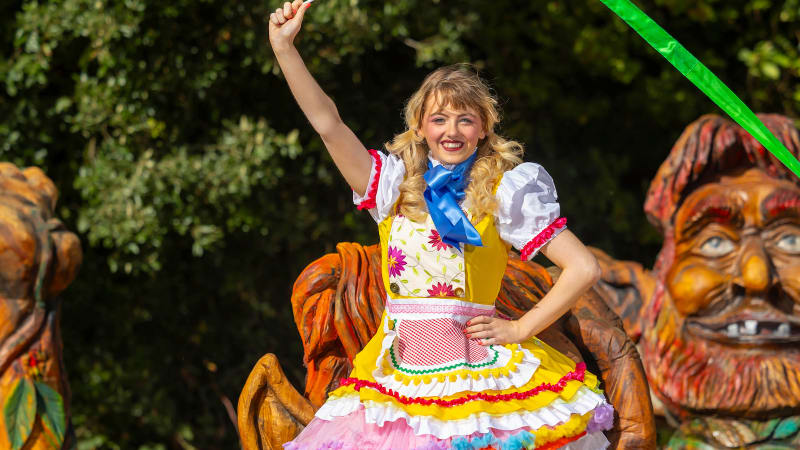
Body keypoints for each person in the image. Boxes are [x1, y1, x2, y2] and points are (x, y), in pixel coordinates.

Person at [269, 1, 615, 448]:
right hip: (399, 373)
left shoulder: (506, 192)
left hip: (482, 375)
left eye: (465, 119)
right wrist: (284, 49)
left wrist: (520, 328)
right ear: (419, 126)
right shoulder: (391, 186)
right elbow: (327, 124)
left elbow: (584, 268)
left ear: (484, 129)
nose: (452, 130)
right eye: (439, 118)